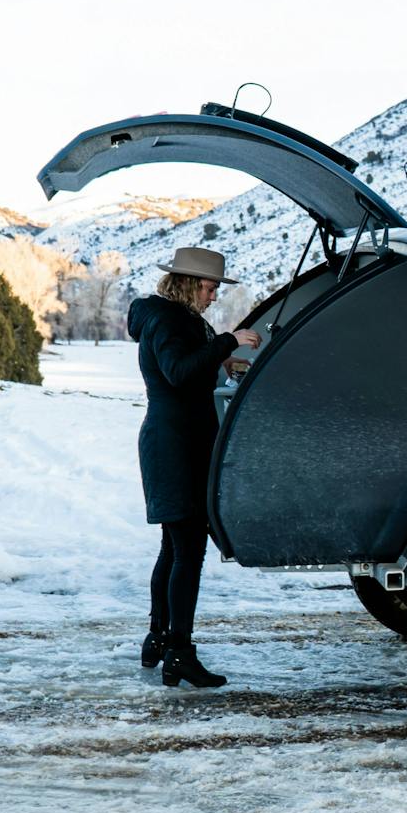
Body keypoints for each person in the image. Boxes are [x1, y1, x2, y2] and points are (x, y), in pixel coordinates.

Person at [127, 247, 260, 688]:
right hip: (175, 446)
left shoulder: (179, 320)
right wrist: (229, 339)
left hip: (177, 442)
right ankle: (179, 653)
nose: (213, 296)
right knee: (187, 550)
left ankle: (159, 640)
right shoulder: (168, 319)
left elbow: (190, 364)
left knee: (174, 547)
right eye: (209, 287)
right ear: (187, 283)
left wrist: (224, 361)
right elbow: (178, 372)